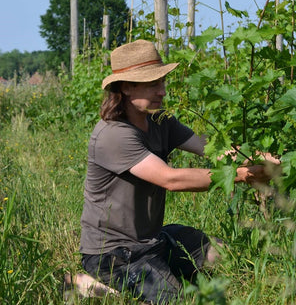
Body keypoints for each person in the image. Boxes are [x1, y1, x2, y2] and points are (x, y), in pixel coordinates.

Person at [79, 39, 275, 304]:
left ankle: (149, 279)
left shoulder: (160, 120)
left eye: (162, 82)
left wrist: (259, 158)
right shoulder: (113, 135)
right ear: (126, 87)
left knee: (224, 257)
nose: (162, 91)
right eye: (153, 84)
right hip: (112, 253)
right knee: (174, 300)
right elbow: (170, 179)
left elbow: (211, 148)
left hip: (152, 239)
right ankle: (96, 287)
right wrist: (241, 175)